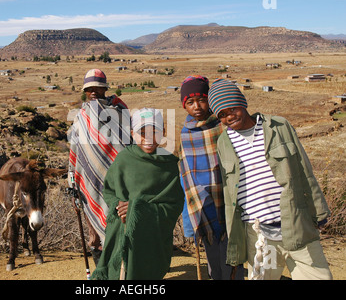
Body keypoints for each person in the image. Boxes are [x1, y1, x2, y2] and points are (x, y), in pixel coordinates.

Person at [207, 78, 333, 280]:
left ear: (242, 103)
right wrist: (234, 235)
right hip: (259, 236)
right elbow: (230, 191)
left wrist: (318, 209)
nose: (229, 116)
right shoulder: (224, 142)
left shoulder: (279, 126)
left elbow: (303, 169)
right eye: (222, 114)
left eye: (231, 109)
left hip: (296, 224)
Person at [91, 108, 184, 280]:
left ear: (163, 133)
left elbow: (174, 204)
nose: (148, 139)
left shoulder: (168, 164)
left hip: (151, 234)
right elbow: (109, 191)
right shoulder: (124, 160)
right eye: (142, 133)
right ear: (133, 134)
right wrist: (118, 205)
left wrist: (138, 210)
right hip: (122, 229)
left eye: (154, 132)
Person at [178, 75, 243, 280]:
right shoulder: (185, 134)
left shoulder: (224, 127)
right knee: (213, 260)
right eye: (190, 102)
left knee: (234, 257)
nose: (197, 106)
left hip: (228, 203)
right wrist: (190, 222)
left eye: (202, 99)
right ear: (184, 106)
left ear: (210, 100)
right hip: (203, 208)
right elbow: (185, 178)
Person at [68, 69, 130, 265]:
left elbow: (128, 145)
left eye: (98, 88)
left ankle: (123, 273)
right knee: (94, 233)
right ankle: (101, 273)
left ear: (105, 89)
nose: (94, 92)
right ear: (85, 91)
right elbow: (75, 152)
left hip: (118, 181)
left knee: (121, 225)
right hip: (90, 180)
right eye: (90, 89)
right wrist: (72, 182)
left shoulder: (119, 112)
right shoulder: (80, 117)